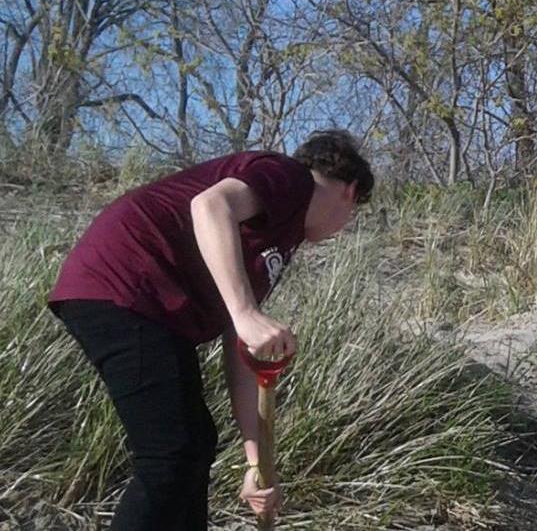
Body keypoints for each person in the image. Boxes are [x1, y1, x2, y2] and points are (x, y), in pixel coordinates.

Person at [48, 131, 375, 530]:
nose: (343, 227)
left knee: (194, 444)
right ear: (350, 191)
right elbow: (210, 205)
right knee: (171, 452)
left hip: (156, 310)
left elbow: (241, 348)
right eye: (353, 214)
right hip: (126, 284)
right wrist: (243, 311)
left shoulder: (280, 233)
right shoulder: (289, 178)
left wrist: (257, 463)